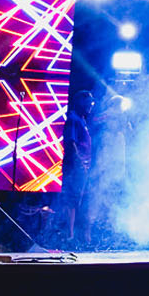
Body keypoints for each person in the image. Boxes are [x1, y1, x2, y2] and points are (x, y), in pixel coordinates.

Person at [59, 90, 93, 248]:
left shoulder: (82, 120)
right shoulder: (73, 119)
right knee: (71, 199)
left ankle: (77, 236)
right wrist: (79, 162)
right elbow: (70, 142)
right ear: (80, 103)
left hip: (82, 166)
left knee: (78, 199)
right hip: (75, 167)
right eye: (88, 103)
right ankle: (69, 236)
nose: (91, 106)